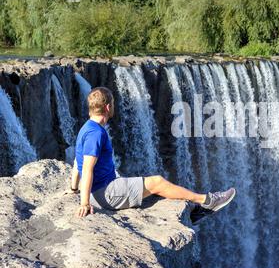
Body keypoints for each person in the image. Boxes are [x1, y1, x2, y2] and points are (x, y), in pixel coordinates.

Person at [70, 87, 236, 220]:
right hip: (105, 193)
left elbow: (78, 163)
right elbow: (87, 169)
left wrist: (73, 188)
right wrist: (84, 203)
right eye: (113, 103)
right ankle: (206, 201)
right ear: (107, 107)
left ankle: (195, 209)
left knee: (148, 187)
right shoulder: (96, 134)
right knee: (157, 182)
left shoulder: (86, 128)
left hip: (102, 188)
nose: (114, 106)